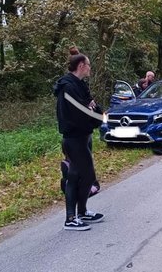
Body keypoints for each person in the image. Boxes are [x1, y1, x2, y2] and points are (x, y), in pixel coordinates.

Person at [53, 46, 105, 231]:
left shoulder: (80, 85)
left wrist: (94, 113)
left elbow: (94, 107)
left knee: (77, 175)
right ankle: (70, 218)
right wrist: (94, 115)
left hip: (84, 137)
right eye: (89, 65)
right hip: (73, 139)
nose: (90, 68)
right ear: (82, 65)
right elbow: (79, 113)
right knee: (84, 175)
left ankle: (81, 212)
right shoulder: (67, 87)